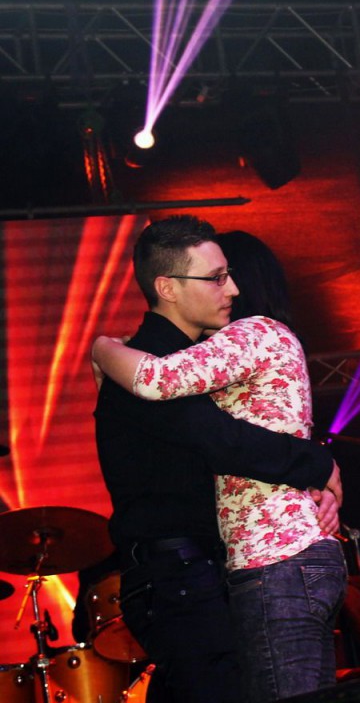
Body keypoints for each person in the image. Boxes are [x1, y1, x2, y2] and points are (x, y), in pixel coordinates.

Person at [93, 215, 342, 703]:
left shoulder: (191, 362)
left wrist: (313, 481)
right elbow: (226, 442)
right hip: (179, 574)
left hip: (197, 572)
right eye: (215, 277)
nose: (232, 288)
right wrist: (319, 465)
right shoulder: (145, 365)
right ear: (168, 287)